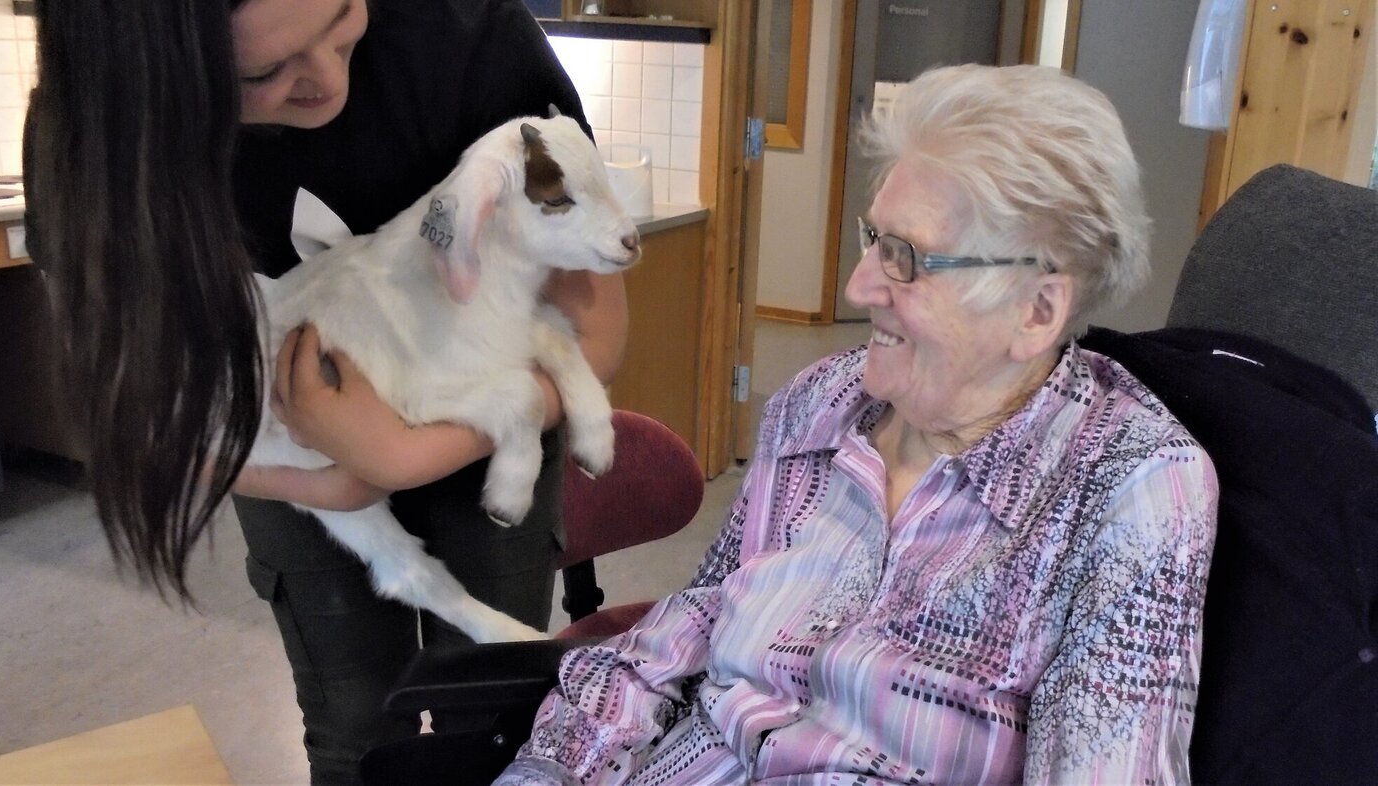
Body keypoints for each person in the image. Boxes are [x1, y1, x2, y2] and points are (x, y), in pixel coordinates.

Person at [496, 64, 1219, 785]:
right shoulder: (823, 402)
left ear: (1037, 311)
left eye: (904, 257)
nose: (857, 284)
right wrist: (547, 770)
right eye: (873, 236)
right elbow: (698, 616)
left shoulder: (1128, 485)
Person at [23, 0, 626, 783]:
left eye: (343, 15)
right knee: (353, 720)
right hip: (271, 442)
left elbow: (594, 322)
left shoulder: (467, 35)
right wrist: (324, 482)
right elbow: (131, 400)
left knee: (491, 710)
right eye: (265, 72)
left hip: (485, 425)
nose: (325, 77)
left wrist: (397, 455)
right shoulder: (94, 125)